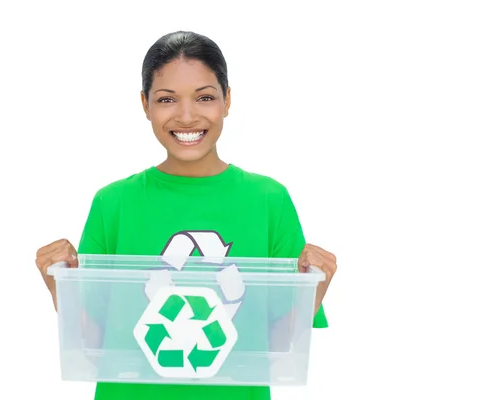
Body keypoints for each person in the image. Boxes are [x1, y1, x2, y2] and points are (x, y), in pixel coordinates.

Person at [35, 30, 337, 400]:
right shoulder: (113, 203)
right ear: (145, 105)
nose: (187, 116)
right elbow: (94, 343)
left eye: (205, 97)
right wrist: (59, 282)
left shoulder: (269, 200)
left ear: (227, 101)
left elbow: (277, 350)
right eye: (167, 99)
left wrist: (314, 289)